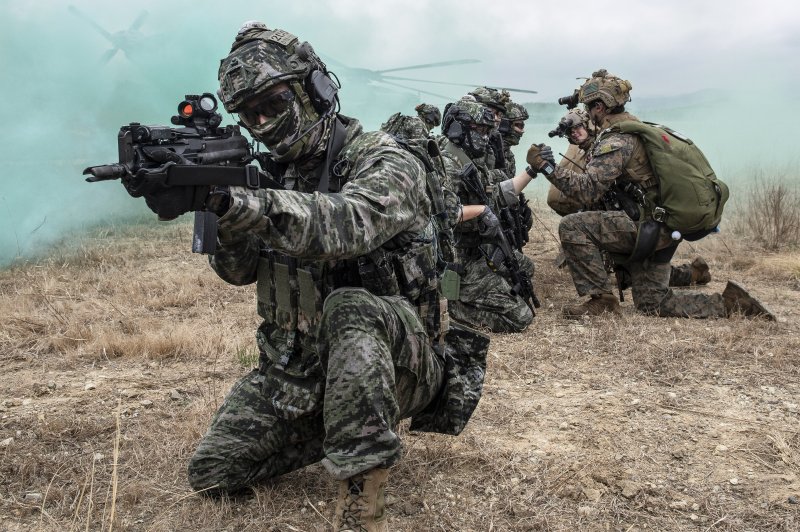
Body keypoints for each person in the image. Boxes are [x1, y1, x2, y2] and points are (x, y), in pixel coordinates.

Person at [138, 22, 489, 531]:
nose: (261, 122)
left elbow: (345, 225)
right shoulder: (264, 174)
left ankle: (360, 497)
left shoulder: (384, 159)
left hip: (400, 360)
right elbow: (236, 273)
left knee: (352, 308)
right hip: (298, 370)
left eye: (273, 103)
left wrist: (235, 202)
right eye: (248, 113)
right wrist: (214, 206)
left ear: (315, 90)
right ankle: (342, 421)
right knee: (214, 473)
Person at [526, 69, 774, 320]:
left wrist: (546, 167)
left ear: (600, 107)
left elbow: (588, 190)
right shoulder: (633, 127)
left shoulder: (616, 139)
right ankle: (734, 305)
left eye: (590, 107)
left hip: (648, 228)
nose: (588, 113)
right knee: (652, 303)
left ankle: (602, 301)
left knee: (573, 226)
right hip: (661, 226)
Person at [548, 108, 712, 288]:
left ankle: (691, 274)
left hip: (643, 224)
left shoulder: (608, 145)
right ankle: (695, 273)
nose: (575, 134)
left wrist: (549, 169)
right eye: (570, 133)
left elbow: (589, 189)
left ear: (589, 124)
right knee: (636, 282)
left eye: (578, 128)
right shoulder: (591, 149)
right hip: (640, 223)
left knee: (631, 278)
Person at [438, 98, 536, 332]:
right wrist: (481, 211)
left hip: (477, 250)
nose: (485, 137)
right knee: (521, 318)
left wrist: (532, 170)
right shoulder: (447, 164)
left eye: (487, 131)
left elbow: (496, 193)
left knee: (525, 268)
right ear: (458, 130)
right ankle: (453, 308)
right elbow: (443, 214)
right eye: (479, 130)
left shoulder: (469, 160)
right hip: (458, 257)